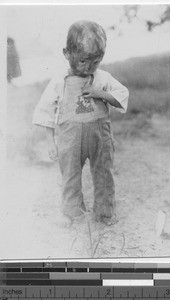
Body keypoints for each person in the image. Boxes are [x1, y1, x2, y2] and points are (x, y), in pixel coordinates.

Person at [32, 20, 129, 227]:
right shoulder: (59, 80)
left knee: (104, 173)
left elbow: (122, 94)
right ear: (67, 53)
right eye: (83, 61)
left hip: (99, 137)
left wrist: (101, 93)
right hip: (70, 138)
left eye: (95, 62)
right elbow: (46, 110)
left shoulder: (103, 77)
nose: (88, 68)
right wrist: (51, 142)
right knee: (70, 175)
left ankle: (105, 213)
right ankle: (72, 212)